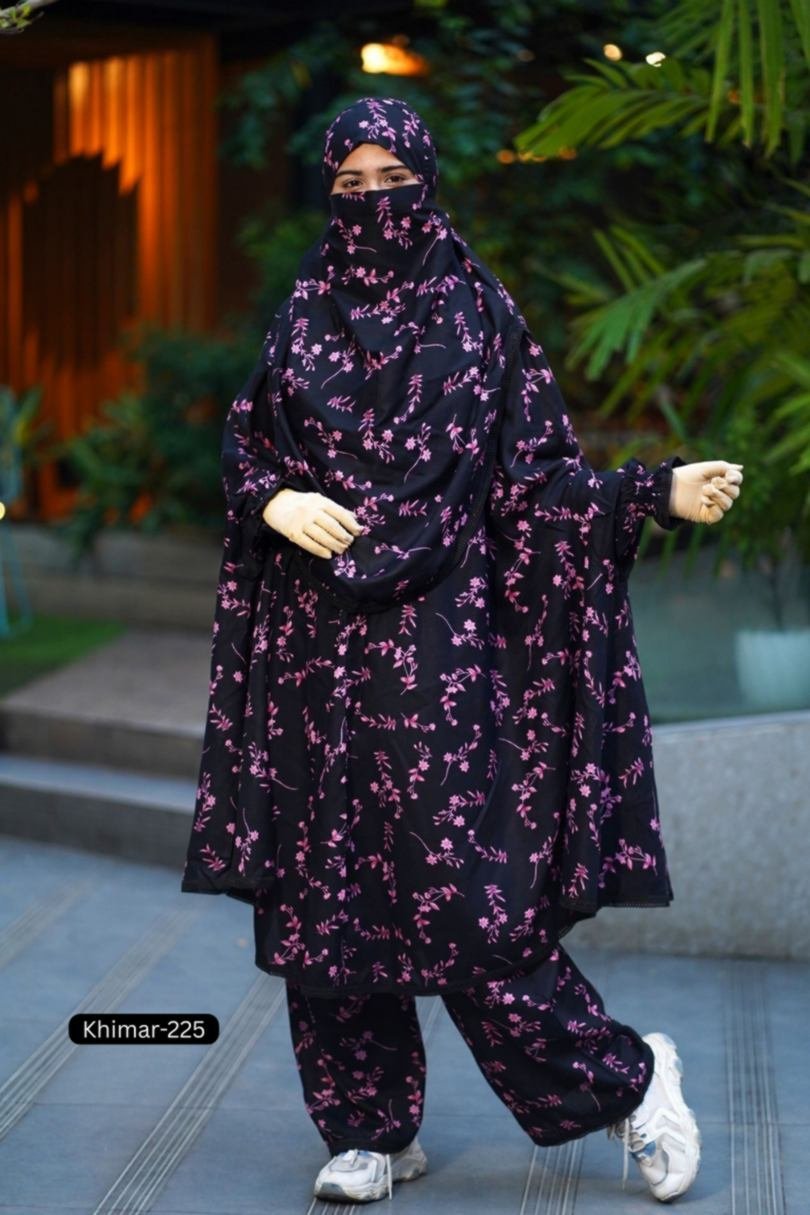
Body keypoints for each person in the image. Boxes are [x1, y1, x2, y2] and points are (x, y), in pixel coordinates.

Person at [180, 96, 743, 1204]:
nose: (372, 203)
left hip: (439, 655)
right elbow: (248, 444)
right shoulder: (304, 310)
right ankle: (369, 1130)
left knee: (468, 903)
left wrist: (650, 492)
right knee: (325, 902)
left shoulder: (475, 311)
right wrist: (274, 498)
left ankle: (630, 1081)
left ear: (427, 181)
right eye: (350, 185)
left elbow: (536, 485)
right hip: (316, 655)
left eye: (392, 181)